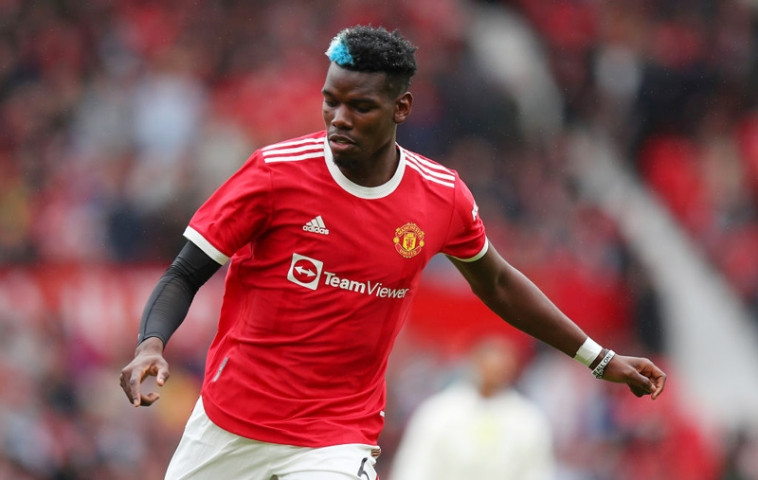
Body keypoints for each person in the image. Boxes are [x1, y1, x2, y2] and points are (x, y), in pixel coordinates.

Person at [119, 25, 666, 480]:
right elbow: (184, 273)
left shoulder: (442, 196)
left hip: (335, 440)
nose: (339, 118)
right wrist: (150, 345)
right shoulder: (273, 174)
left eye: (360, 107)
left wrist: (599, 359)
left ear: (401, 107)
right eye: (331, 102)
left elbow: (498, 282)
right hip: (228, 425)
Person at [389, 336, 555, 480]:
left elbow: (536, 472)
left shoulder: (528, 420)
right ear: (474, 362)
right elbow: (415, 466)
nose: (495, 371)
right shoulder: (440, 412)